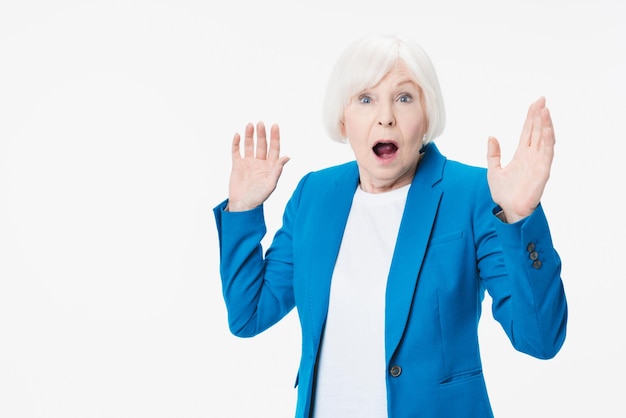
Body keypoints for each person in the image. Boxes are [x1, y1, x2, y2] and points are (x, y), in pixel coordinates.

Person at [213, 33, 567, 418]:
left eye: (404, 98)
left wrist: (519, 217)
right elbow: (248, 315)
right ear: (343, 119)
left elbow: (540, 339)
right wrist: (244, 209)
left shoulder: (473, 194)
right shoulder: (314, 194)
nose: (386, 116)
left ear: (428, 115)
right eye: (365, 99)